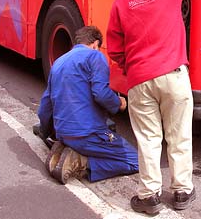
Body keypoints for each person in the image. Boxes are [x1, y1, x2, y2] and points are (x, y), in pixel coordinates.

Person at [106, 0, 198, 214]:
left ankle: (149, 197)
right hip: (173, 74)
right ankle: (182, 192)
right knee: (179, 135)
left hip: (140, 80)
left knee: (148, 139)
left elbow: (115, 47)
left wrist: (131, 68)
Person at [37, 26, 139, 184]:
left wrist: (47, 133)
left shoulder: (58, 62)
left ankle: (69, 149)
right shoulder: (95, 56)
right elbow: (101, 93)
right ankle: (81, 162)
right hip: (87, 134)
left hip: (64, 133)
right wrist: (119, 103)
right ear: (95, 43)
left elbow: (45, 106)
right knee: (136, 160)